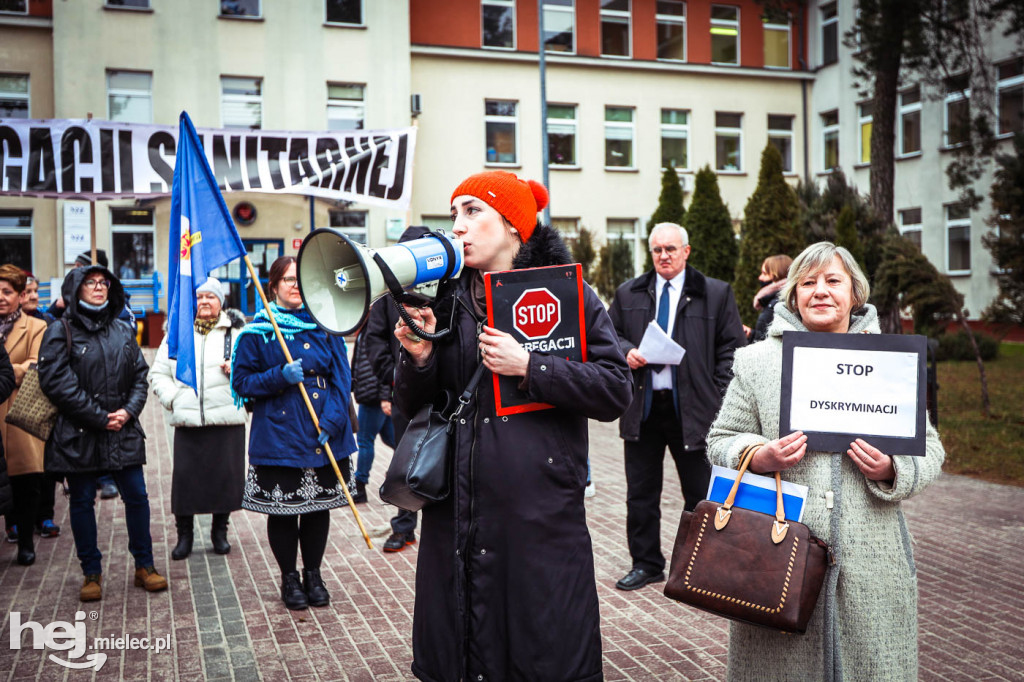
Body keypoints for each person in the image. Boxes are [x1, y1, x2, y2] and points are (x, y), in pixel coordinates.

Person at [392, 171, 632, 681]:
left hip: (537, 515)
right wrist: (418, 358)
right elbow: (416, 408)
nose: (458, 226)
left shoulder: (571, 296)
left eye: (473, 211)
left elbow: (615, 391)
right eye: (455, 212)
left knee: (538, 648)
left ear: (515, 228)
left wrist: (532, 366)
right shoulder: (443, 301)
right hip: (456, 511)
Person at [706, 242, 945, 681]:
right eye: (808, 282)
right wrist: (758, 454)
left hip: (872, 561)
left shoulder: (890, 361)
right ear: (793, 294)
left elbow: (930, 448)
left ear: (855, 293)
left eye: (833, 281)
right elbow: (720, 439)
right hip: (775, 558)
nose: (820, 291)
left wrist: (892, 469)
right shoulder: (758, 362)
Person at [608, 222, 745, 591]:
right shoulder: (629, 293)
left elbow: (731, 350)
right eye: (657, 250)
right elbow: (608, 334)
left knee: (700, 494)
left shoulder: (715, 293)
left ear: (686, 251)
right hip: (644, 406)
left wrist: (716, 396)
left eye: (671, 249)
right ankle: (647, 563)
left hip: (696, 411)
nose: (663, 256)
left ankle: (706, 566)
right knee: (641, 494)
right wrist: (626, 351)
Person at [231, 256, 357, 611]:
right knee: (283, 511)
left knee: (317, 510)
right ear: (273, 287)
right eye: (287, 279)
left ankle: (313, 574)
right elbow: (241, 383)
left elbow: (341, 379)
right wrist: (278, 376)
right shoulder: (258, 331)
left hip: (323, 432)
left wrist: (332, 422)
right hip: (278, 435)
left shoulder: (326, 325)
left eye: (300, 279)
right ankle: (289, 577)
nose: (295, 285)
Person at [37, 265, 167, 602]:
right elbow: (56, 384)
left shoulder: (123, 328)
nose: (98, 287)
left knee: (137, 497)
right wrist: (99, 417)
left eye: (103, 282)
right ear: (75, 289)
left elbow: (141, 375)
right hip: (80, 434)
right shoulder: (60, 330)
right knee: (82, 501)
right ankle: (91, 572)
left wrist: (127, 411)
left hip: (122, 431)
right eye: (90, 282)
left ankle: (145, 565)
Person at [149, 277, 247, 560]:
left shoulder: (237, 334)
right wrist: (174, 399)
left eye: (211, 297)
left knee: (224, 480)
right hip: (189, 421)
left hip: (226, 419)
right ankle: (185, 535)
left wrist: (236, 372)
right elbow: (157, 373)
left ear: (221, 302)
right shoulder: (177, 336)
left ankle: (220, 532)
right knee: (185, 482)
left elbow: (253, 373)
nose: (204, 302)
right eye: (199, 297)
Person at [364, 225, 432, 552]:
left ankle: (439, 523)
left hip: (443, 392)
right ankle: (403, 527)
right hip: (405, 394)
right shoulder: (387, 296)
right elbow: (374, 339)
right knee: (405, 462)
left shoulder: (445, 290)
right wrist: (393, 376)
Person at [0, 265, 50, 565]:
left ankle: (26, 543)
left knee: (25, 480)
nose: (1, 298)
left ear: (20, 296)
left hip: (21, 413)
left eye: (7, 292)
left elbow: (36, 366)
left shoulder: (35, 327)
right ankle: (11, 528)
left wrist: (8, 371)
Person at [350, 304, 395, 505]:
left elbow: (388, 361)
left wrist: (387, 395)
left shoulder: (378, 326)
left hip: (374, 395)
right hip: (370, 392)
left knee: (365, 440)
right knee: (392, 439)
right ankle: (403, 471)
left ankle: (360, 486)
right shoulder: (367, 325)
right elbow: (359, 360)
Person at [749, 254, 793, 343]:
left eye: (765, 274)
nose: (760, 277)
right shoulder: (772, 300)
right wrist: (751, 333)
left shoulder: (779, 302)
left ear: (777, 275)